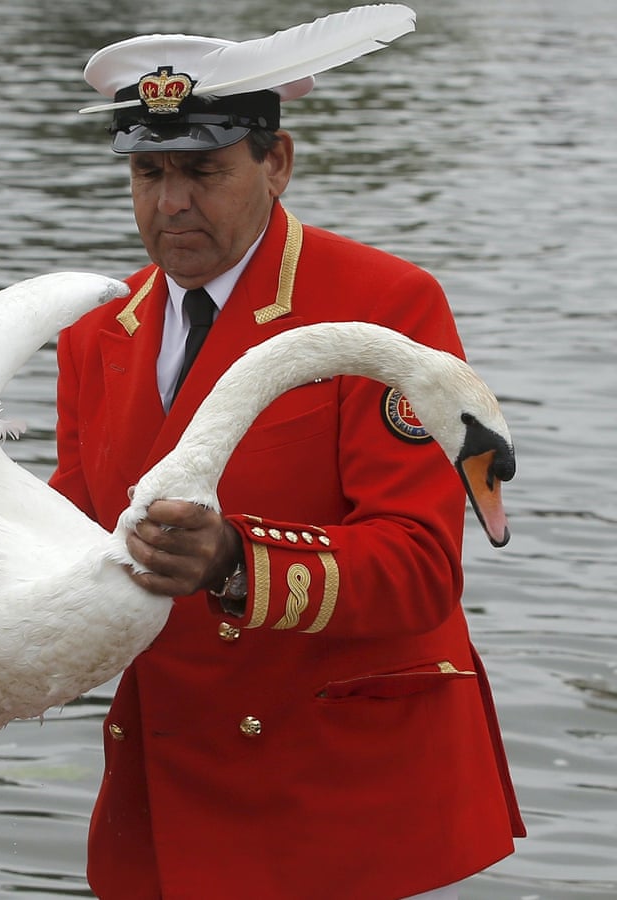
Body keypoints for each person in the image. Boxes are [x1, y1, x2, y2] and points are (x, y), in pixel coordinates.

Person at [46, 14, 526, 900]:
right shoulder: (93, 333)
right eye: (148, 173)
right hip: (163, 796)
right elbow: (67, 549)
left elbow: (422, 569)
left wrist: (236, 561)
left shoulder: (385, 307)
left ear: (277, 163)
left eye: (202, 170)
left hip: (326, 805)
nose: (170, 203)